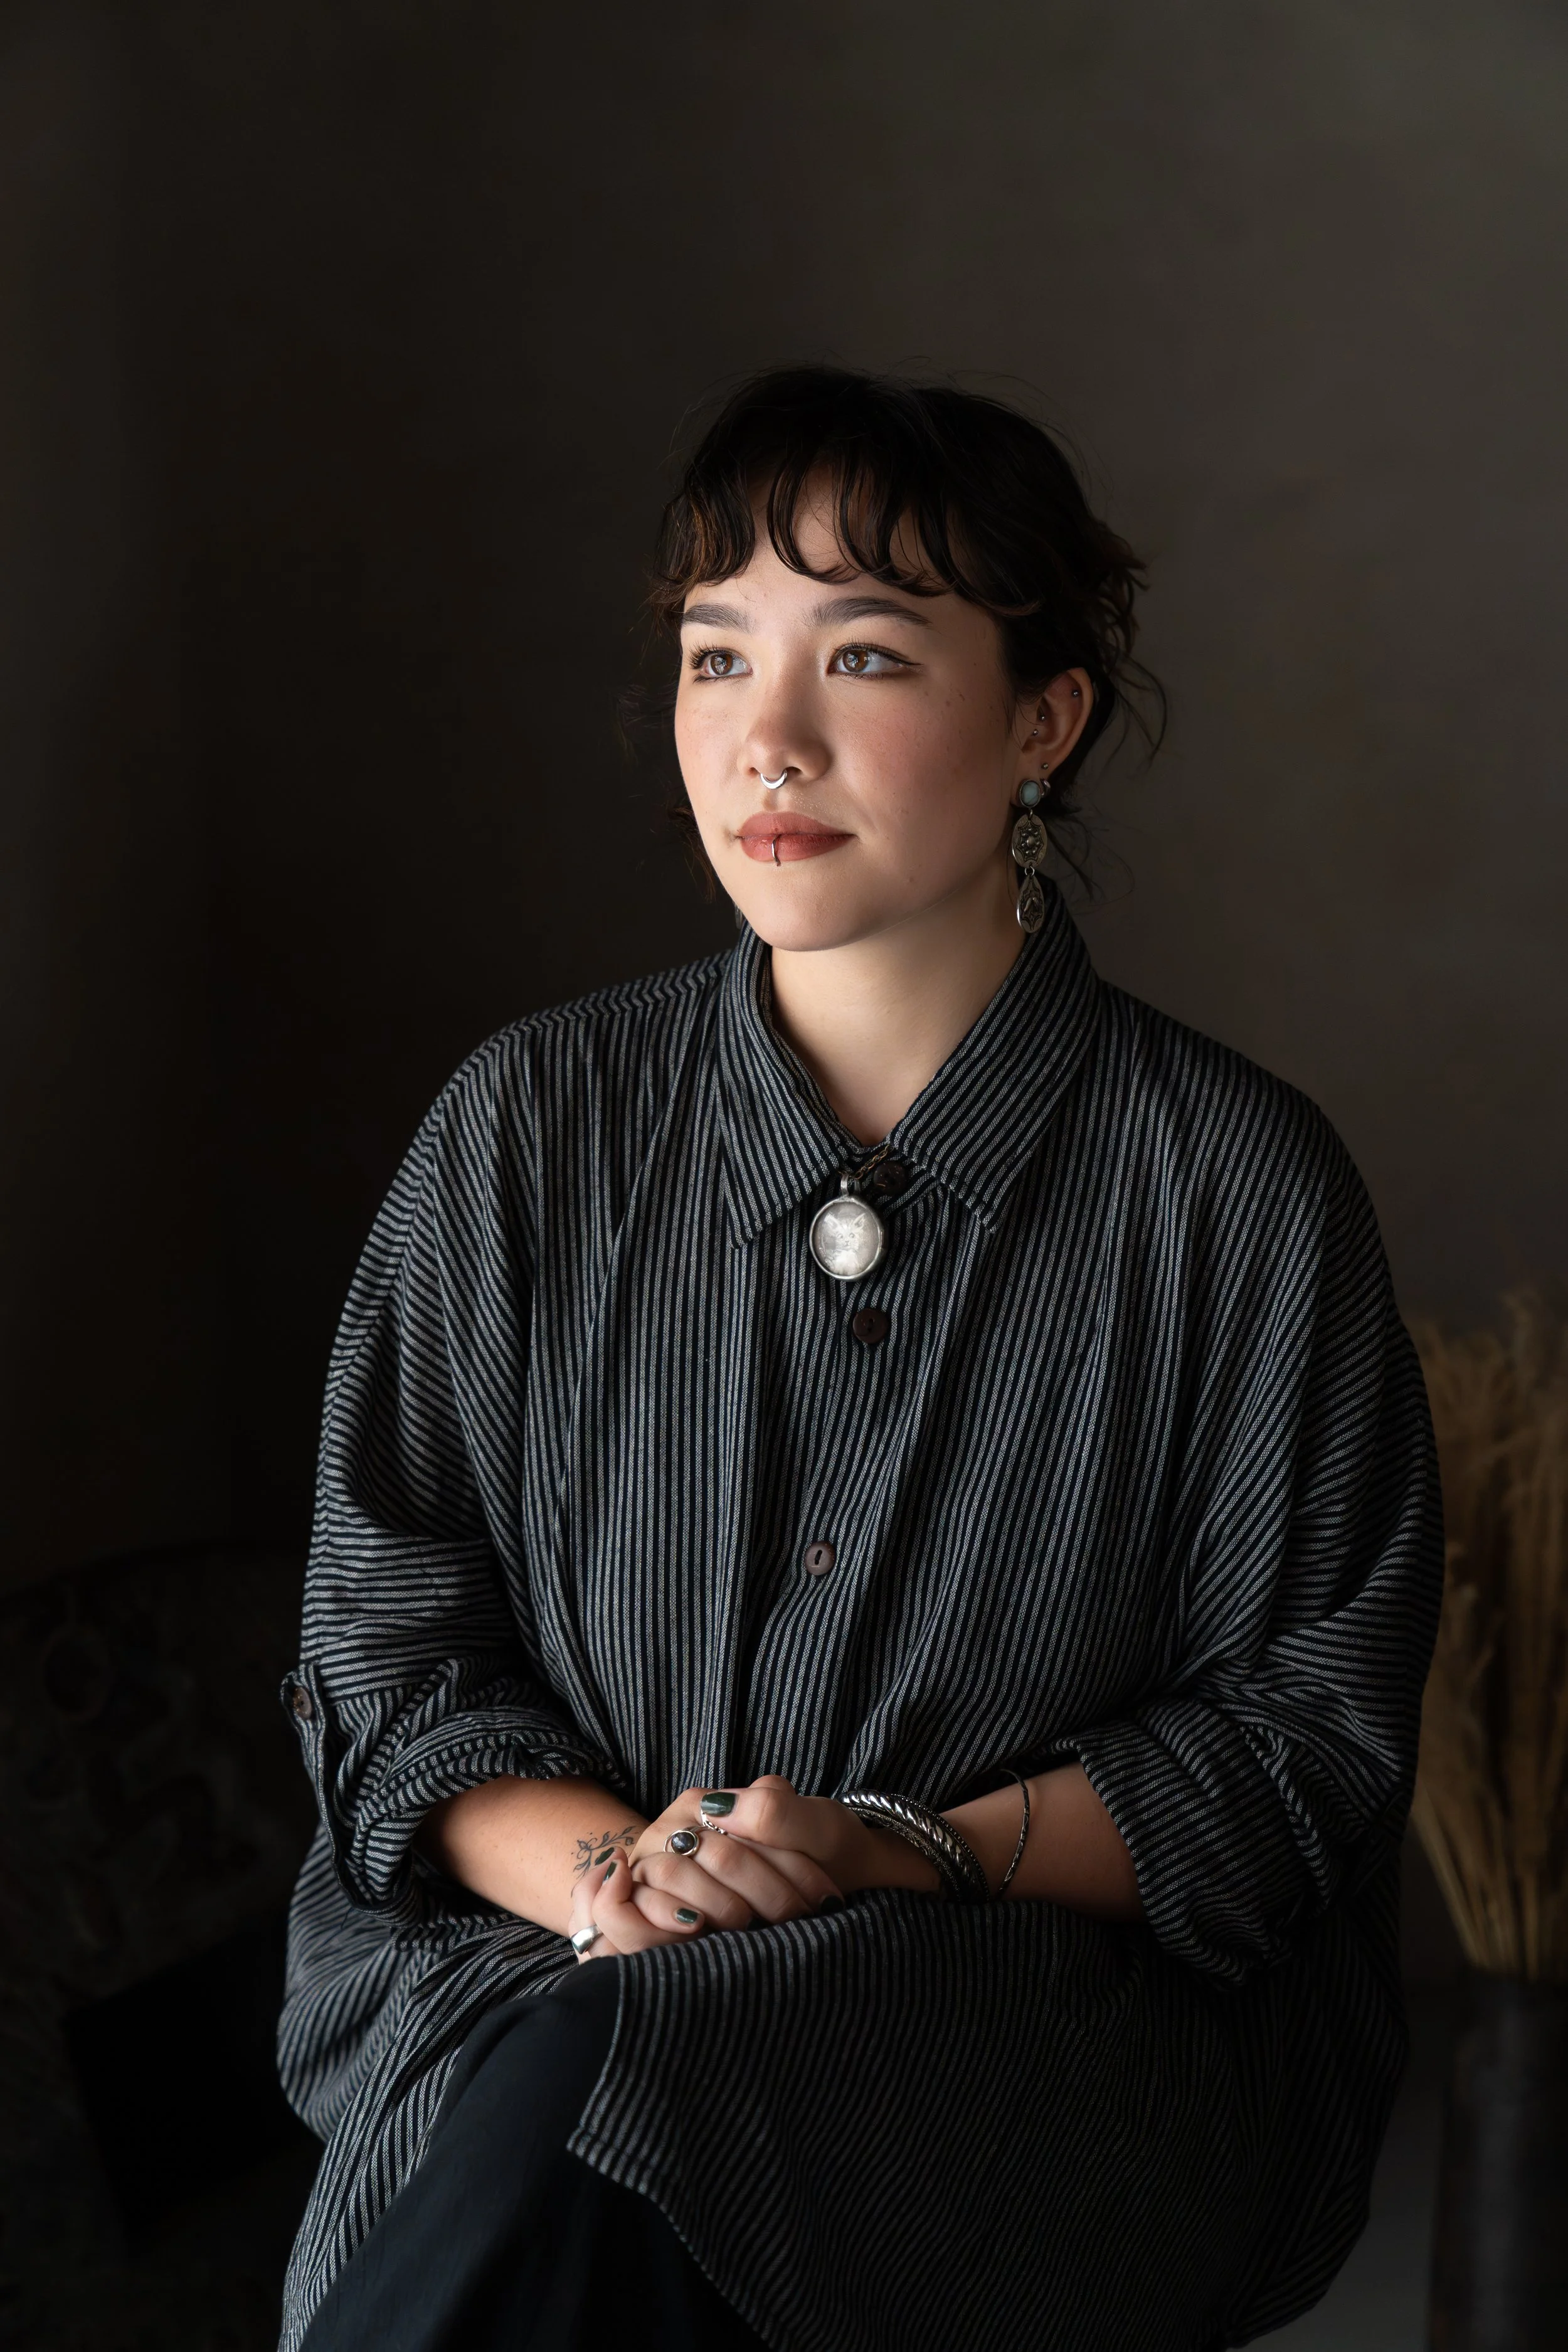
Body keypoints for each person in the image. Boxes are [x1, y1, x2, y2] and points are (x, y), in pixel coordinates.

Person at [277, 366, 1443, 2352]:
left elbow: (1305, 1737)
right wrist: (626, 1883)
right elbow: (387, 1656)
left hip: (1043, 2057)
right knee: (617, 2060)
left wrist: (897, 1852)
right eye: (714, 655)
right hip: (539, 1976)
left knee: (649, 2094)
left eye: (867, 654)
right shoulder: (525, 1129)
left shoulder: (1234, 1189)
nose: (766, 737)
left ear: (1044, 719)